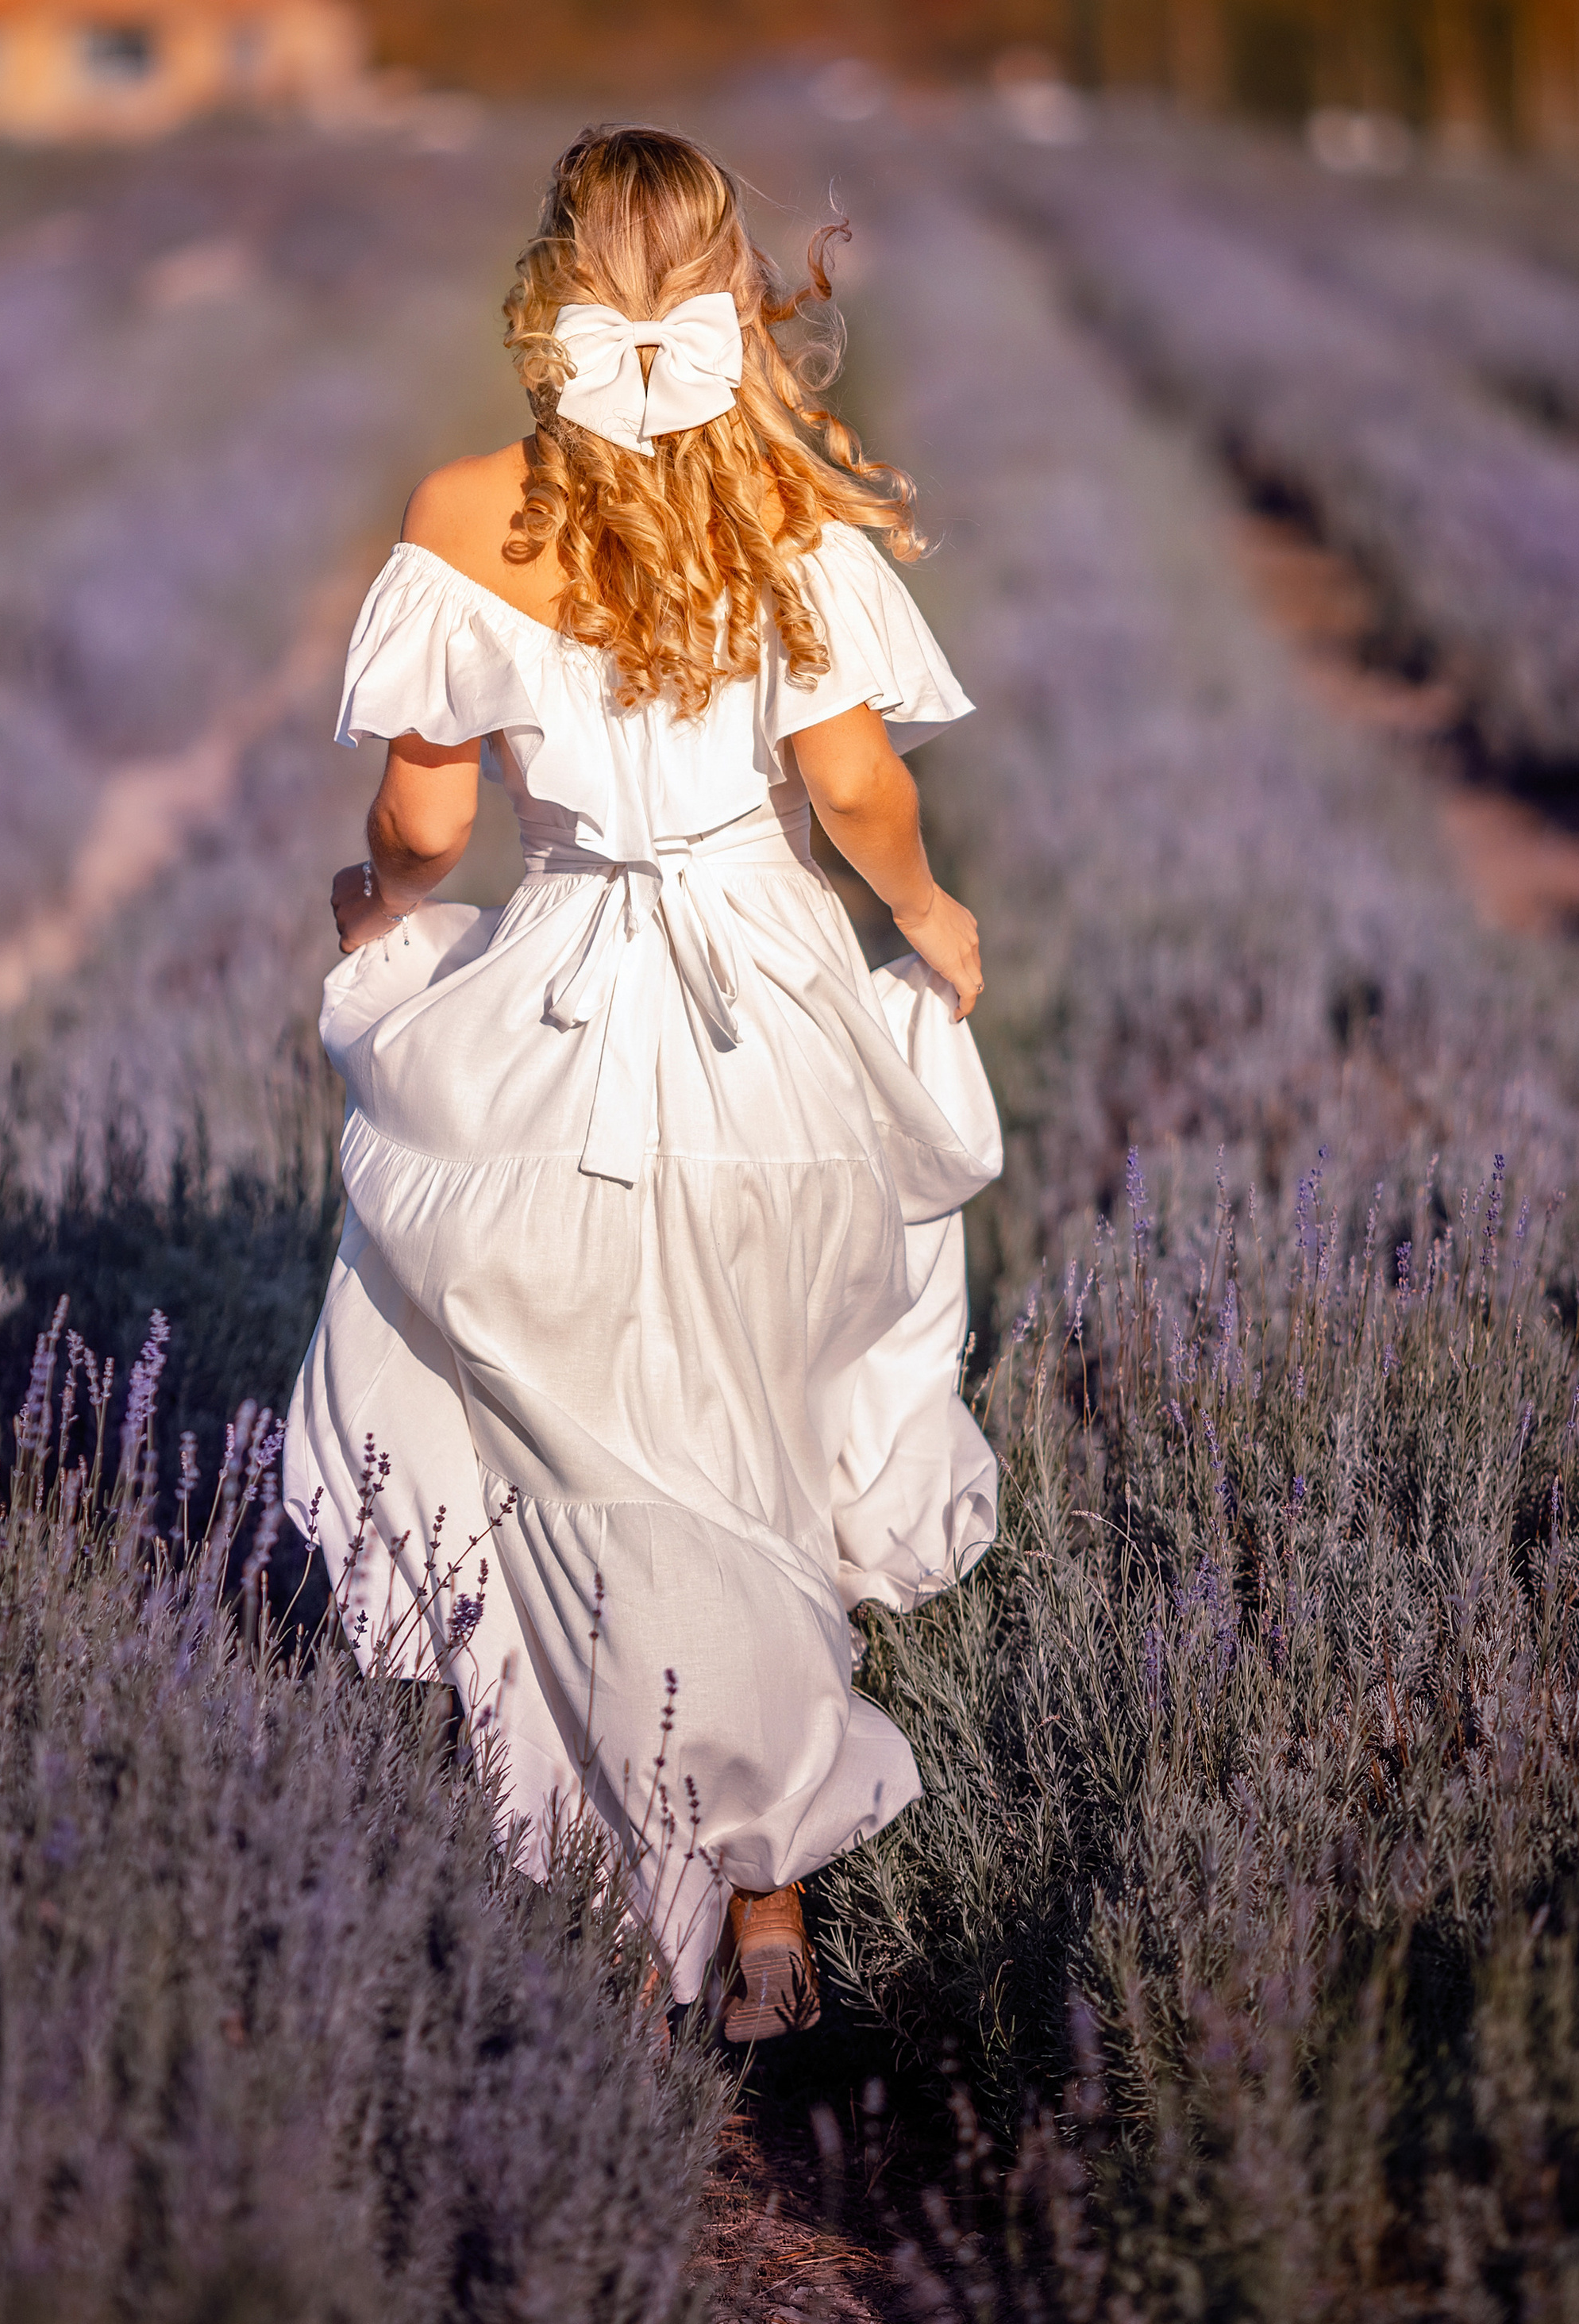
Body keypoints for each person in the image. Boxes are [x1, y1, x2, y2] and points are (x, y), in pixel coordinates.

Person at [283, 125, 1001, 2037]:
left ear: (547, 280)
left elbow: (424, 821)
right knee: (747, 1425)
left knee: (590, 1435)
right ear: (721, 280)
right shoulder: (778, 494)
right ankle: (761, 1892)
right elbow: (850, 789)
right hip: (763, 996)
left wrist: (378, 899)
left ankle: (639, 1856)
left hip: (573, 997)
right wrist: (924, 914)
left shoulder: (463, 505)